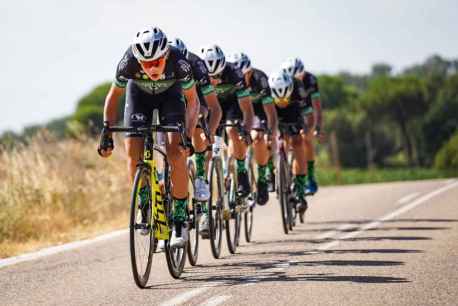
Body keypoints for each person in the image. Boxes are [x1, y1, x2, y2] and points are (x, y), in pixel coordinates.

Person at [98, 26, 200, 248]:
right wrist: (106, 131)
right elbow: (113, 97)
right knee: (133, 153)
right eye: (146, 63)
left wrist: (188, 136)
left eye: (156, 62)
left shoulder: (179, 62)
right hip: (139, 98)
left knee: (175, 152)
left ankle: (181, 218)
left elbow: (193, 101)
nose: (152, 67)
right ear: (137, 59)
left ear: (165, 55)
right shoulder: (128, 62)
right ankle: (144, 204)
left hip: (170, 98)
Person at [169, 38, 222, 202]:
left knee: (199, 117)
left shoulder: (196, 65)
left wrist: (210, 132)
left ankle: (200, 177)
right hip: (172, 96)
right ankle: (166, 170)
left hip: (196, 96)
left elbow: (215, 108)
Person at [200, 45, 254, 199]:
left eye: (217, 76)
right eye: (210, 77)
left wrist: (246, 130)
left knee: (232, 131)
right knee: (207, 147)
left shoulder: (235, 73)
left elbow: (248, 110)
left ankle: (242, 171)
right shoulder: (198, 74)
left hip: (232, 105)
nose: (214, 81)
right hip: (211, 106)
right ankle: (203, 188)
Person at [230, 52, 278, 205]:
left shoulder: (260, 79)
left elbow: (271, 112)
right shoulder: (232, 79)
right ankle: (239, 171)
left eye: (243, 75)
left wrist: (270, 132)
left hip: (259, 111)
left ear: (250, 72)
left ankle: (262, 179)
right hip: (239, 109)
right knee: (232, 133)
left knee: (258, 137)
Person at [268, 70, 309, 215]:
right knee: (270, 138)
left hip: (294, 111)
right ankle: (272, 171)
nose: (282, 102)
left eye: (284, 99)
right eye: (279, 100)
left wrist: (304, 128)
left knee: (298, 142)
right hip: (273, 112)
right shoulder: (267, 90)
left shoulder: (298, 88)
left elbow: (306, 111)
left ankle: (300, 190)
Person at [281, 58, 324, 194]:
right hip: (289, 109)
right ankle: (283, 168)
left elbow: (317, 106)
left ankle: (310, 177)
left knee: (306, 138)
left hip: (306, 110)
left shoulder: (311, 80)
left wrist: (318, 127)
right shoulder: (283, 80)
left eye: (298, 77)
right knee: (284, 137)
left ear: (303, 73)